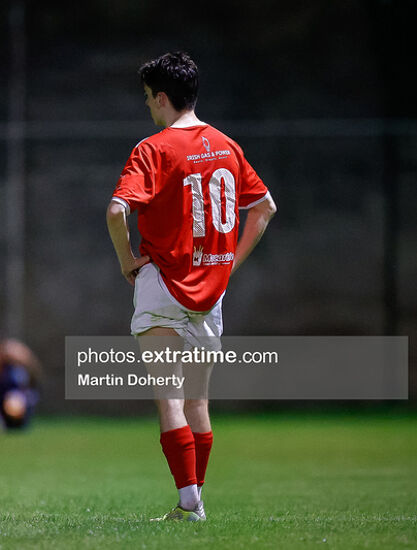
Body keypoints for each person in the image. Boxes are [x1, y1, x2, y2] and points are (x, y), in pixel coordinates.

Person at [106, 52, 276, 521]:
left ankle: (189, 504)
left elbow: (117, 211)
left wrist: (127, 263)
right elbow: (264, 209)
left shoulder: (154, 148)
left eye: (148, 99)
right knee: (198, 402)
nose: (148, 107)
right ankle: (194, 505)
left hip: (163, 283)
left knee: (170, 400)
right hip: (210, 291)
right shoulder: (226, 145)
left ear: (162, 98)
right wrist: (228, 267)